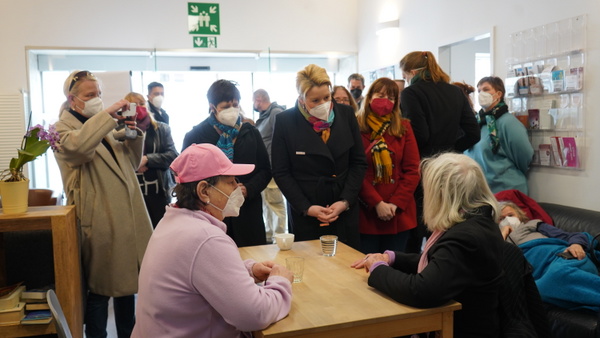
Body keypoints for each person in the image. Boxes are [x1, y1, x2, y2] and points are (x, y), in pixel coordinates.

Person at [132, 143, 293, 338]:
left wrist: (248, 271)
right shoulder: (206, 238)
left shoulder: (174, 221)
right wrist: (280, 282)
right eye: (231, 182)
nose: (237, 188)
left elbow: (197, 272)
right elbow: (253, 315)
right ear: (204, 191)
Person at [352, 152, 504, 337]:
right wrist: (392, 258)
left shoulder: (465, 238)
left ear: (440, 193)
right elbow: (441, 265)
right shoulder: (478, 219)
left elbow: (420, 291)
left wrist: (377, 269)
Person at [54, 70, 153, 338]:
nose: (96, 99)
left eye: (98, 94)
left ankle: (129, 334)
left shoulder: (102, 126)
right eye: (89, 95)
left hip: (127, 214)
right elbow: (78, 148)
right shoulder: (62, 129)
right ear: (72, 100)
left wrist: (134, 133)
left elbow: (132, 164)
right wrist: (107, 116)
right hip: (100, 218)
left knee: (127, 287)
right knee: (99, 290)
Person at [272, 64, 367, 251]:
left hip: (343, 206)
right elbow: (281, 171)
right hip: (306, 208)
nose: (323, 104)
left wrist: (345, 201)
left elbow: (358, 162)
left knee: (347, 265)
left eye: (327, 97)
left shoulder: (346, 114)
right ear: (301, 98)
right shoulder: (285, 121)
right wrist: (306, 207)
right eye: (315, 100)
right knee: (310, 266)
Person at [399, 50, 480, 253]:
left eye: (404, 75)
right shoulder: (455, 92)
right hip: (452, 171)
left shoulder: (411, 93)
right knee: (447, 225)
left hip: (424, 170)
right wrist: (450, 151)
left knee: (419, 229)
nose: (405, 80)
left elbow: (421, 135)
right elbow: (473, 133)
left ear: (411, 71)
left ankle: (414, 276)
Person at [182, 79, 271, 247]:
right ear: (212, 107)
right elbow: (185, 179)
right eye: (225, 107)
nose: (231, 110)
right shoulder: (196, 136)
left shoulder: (250, 132)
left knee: (253, 260)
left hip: (247, 212)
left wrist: (248, 188)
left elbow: (265, 170)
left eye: (235, 105)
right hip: (210, 213)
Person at [356, 77, 420, 253]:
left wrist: (395, 203)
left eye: (391, 98)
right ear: (369, 97)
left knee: (394, 270)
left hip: (397, 212)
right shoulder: (355, 126)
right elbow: (355, 170)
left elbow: (412, 170)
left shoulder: (404, 127)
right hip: (366, 211)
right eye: (381, 95)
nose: (385, 101)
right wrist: (377, 203)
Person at [498, 201, 600, 311]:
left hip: (565, 258)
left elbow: (571, 236)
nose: (507, 220)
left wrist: (576, 244)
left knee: (559, 273)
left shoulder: (533, 225)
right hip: (544, 275)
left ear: (519, 215)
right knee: (538, 291)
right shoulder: (495, 242)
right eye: (501, 218)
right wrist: (501, 236)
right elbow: (496, 264)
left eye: (510, 215)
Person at [464, 76, 534, 195]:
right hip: (482, 192)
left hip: (507, 190)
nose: (481, 94)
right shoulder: (477, 122)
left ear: (498, 94)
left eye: (486, 89)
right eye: (479, 90)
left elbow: (524, 155)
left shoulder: (508, 123)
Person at [124, 92, 178, 228]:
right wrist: (134, 163)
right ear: (126, 108)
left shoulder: (161, 129)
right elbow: (117, 158)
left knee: (161, 231)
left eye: (142, 104)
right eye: (133, 105)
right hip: (132, 193)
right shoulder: (120, 131)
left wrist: (147, 159)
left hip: (159, 191)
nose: (139, 108)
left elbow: (173, 155)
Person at [253, 89, 287, 242]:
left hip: (274, 169)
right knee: (267, 204)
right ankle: (269, 236)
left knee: (276, 204)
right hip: (265, 169)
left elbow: (282, 141)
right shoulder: (265, 116)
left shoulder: (275, 114)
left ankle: (280, 237)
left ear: (258, 99)